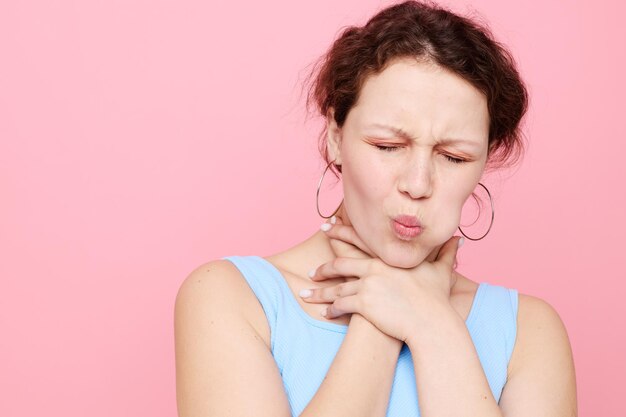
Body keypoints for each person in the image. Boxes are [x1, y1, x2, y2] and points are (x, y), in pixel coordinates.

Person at [174, 1, 577, 416]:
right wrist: (377, 323)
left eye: (454, 157)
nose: (417, 185)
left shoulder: (529, 332)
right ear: (335, 135)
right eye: (388, 147)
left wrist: (432, 325)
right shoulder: (232, 298)